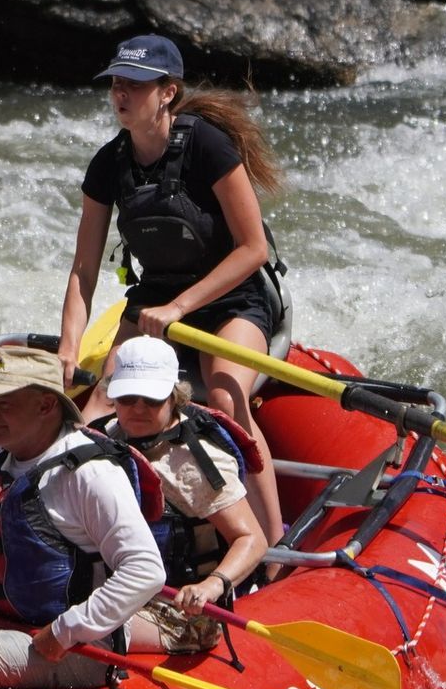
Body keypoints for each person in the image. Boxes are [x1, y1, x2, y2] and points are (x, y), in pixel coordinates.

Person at [57, 32, 286, 547]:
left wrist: (180, 308)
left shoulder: (208, 145)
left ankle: (273, 543)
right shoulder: (108, 164)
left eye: (135, 84)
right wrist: (69, 348)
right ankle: (90, 536)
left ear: (167, 92)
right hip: (155, 299)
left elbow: (254, 250)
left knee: (227, 398)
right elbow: (83, 270)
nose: (122, 94)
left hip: (234, 300)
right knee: (96, 409)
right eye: (116, 83)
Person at [0, 347, 166, 689]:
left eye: (4, 403)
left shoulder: (90, 473)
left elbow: (146, 571)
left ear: (46, 405)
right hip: (2, 620)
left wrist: (66, 631)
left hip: (76, 648)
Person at [100, 336, 268, 653]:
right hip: (121, 590)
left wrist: (211, 586)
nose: (137, 408)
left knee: (72, 627)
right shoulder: (106, 436)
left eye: (150, 399)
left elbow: (252, 540)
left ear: (174, 397)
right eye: (127, 397)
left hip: (183, 613)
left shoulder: (194, 464)